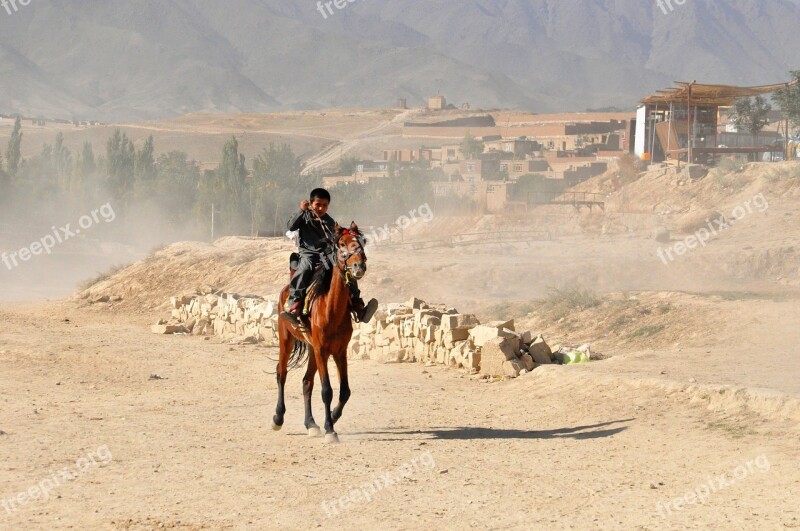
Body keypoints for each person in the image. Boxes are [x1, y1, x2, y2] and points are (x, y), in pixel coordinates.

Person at [281, 188, 377, 327]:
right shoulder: (304, 217)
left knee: (345, 271)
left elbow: (336, 238)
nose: (321, 208)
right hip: (308, 254)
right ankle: (294, 306)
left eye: (324, 205)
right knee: (305, 269)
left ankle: (358, 306)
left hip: (326, 256)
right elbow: (291, 226)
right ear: (310, 203)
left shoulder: (329, 222)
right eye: (317, 204)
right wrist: (301, 211)